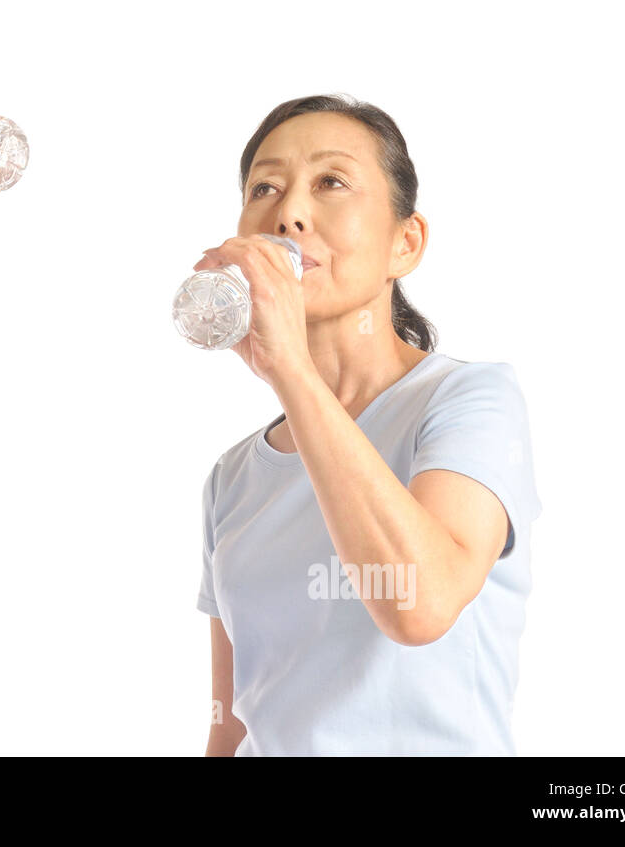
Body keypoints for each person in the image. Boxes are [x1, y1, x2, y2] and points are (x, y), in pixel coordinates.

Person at [195, 94, 542, 756]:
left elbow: (417, 604)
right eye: (264, 187)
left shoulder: (471, 400)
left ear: (404, 243)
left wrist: (290, 369)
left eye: (330, 181)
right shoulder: (233, 477)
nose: (289, 212)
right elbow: (231, 722)